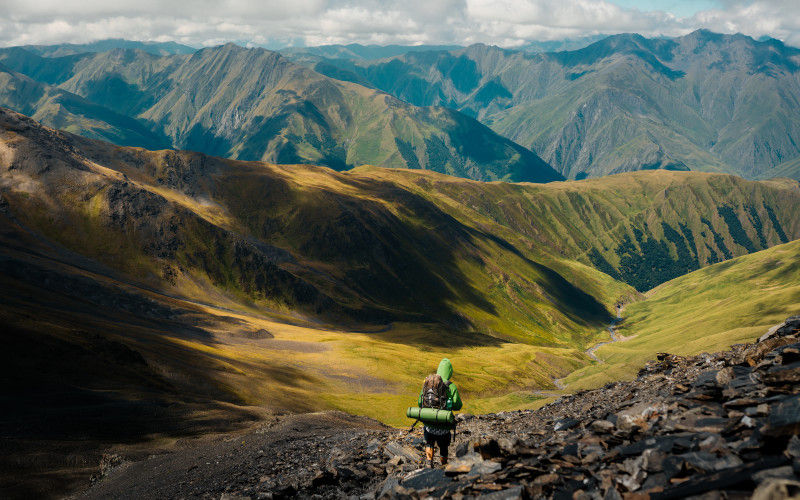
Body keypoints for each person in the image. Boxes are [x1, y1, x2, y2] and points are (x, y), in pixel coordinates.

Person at [418, 358, 462, 466]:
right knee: (444, 447)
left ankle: (429, 462)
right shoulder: (451, 386)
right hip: (444, 426)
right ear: (450, 371)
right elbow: (458, 405)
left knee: (429, 443)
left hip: (429, 424)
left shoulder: (428, 383)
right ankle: (443, 466)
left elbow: (420, 402)